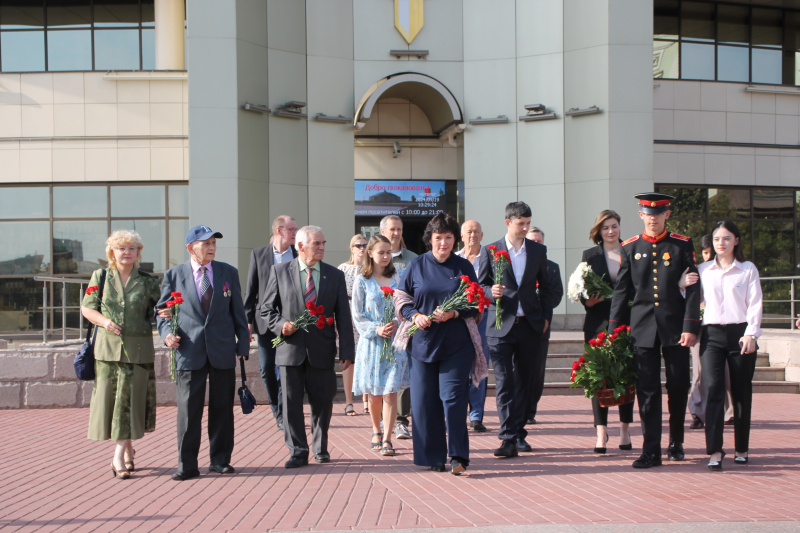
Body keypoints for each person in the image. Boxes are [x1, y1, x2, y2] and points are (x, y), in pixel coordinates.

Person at [609, 193, 700, 469]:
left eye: (658, 213)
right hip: (643, 328)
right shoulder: (630, 247)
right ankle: (651, 450)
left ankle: (676, 442)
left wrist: (690, 326)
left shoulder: (681, 244)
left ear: (667, 215)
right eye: (648, 213)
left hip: (675, 327)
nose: (653, 218)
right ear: (640, 215)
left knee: (678, 385)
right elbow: (622, 291)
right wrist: (613, 329)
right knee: (647, 390)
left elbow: (694, 287)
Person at [156, 225, 250, 481]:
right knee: (188, 411)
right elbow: (162, 313)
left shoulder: (228, 272)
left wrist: (243, 344)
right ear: (190, 247)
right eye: (205, 243)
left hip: (222, 350)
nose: (211, 247)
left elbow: (238, 313)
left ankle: (220, 461)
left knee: (222, 409)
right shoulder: (174, 275)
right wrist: (166, 335)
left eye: (213, 243)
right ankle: (187, 465)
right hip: (188, 351)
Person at [261, 225, 355, 468]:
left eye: (323, 243)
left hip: (322, 350)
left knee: (323, 401)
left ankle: (320, 447)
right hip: (290, 350)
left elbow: (344, 317)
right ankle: (298, 451)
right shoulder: (280, 271)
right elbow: (266, 310)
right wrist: (281, 325)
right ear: (300, 247)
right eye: (317, 244)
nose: (322, 247)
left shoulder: (335, 276)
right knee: (291, 404)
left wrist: (347, 352)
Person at [397, 213, 481, 475]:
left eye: (448, 238)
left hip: (456, 346)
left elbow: (476, 302)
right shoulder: (416, 265)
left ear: (455, 239)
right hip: (422, 346)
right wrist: (416, 315)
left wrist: (454, 313)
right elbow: (401, 298)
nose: (443, 243)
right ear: (429, 240)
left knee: (453, 399)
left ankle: (458, 456)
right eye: (438, 238)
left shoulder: (463, 267)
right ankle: (433, 455)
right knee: (423, 404)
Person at [81, 230, 161, 480]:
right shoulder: (100, 276)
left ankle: (117, 457)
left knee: (129, 403)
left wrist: (167, 314)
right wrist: (104, 322)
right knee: (112, 404)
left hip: (138, 351)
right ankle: (127, 448)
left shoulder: (148, 281)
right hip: (106, 351)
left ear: (138, 253)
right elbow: (86, 308)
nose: (127, 252)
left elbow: (158, 311)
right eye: (121, 248)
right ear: (112, 252)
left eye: (132, 248)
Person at [478, 202, 555, 458]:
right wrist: (491, 292)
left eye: (527, 223)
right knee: (504, 382)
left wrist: (544, 317)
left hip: (530, 325)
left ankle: (519, 432)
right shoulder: (490, 251)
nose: (525, 228)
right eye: (520, 223)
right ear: (508, 222)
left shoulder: (537, 250)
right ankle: (507, 438)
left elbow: (547, 287)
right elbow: (479, 287)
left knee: (525, 383)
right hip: (500, 325)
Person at [700, 221, 763, 470]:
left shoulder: (747, 269)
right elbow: (690, 299)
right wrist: (682, 286)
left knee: (740, 392)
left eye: (726, 238)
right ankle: (715, 450)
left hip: (741, 335)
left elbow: (755, 303)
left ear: (736, 240)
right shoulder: (703, 269)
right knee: (713, 390)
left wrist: (752, 334)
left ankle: (741, 448)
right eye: (716, 239)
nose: (721, 243)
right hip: (711, 335)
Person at [577, 211, 634, 453]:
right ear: (598, 231)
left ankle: (624, 430)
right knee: (598, 377)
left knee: (627, 377)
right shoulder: (590, 255)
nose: (611, 231)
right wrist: (587, 301)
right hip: (598, 322)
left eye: (614, 226)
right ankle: (601, 432)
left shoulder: (631, 250)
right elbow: (581, 289)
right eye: (605, 228)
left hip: (627, 322)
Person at [351, 235, 408, 456]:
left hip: (394, 343)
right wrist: (376, 329)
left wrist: (396, 322)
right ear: (370, 253)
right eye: (381, 252)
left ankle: (387, 438)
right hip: (372, 345)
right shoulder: (362, 280)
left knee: (391, 392)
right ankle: (376, 430)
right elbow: (357, 315)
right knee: (374, 394)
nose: (385, 256)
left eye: (388, 252)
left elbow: (406, 307)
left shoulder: (398, 277)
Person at [243, 215, 298, 432]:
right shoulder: (259, 254)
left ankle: (284, 413)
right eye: (291, 229)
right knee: (266, 369)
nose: (295, 232)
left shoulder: (297, 254)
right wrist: (247, 320)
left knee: (286, 369)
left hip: (290, 323)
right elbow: (251, 288)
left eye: (296, 228)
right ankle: (276, 408)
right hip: (265, 322)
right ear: (278, 230)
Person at [687, 234, 734, 430]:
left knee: (728, 373)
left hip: (726, 329)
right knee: (699, 374)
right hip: (701, 328)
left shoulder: (736, 269)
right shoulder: (700, 271)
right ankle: (698, 412)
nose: (708, 256)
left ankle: (731, 412)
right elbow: (688, 298)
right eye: (705, 252)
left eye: (711, 252)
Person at [381, 214, 418, 440]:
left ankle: (401, 421)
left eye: (399, 229)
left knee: (404, 373)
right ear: (383, 231)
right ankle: (382, 423)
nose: (396, 233)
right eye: (392, 229)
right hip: (380, 327)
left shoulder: (413, 259)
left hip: (404, 325)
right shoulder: (372, 256)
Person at [526, 227, 563, 425]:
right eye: (532, 241)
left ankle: (531, 410)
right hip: (521, 324)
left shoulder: (552, 267)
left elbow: (556, 294)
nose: (535, 244)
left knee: (538, 369)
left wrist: (539, 308)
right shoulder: (517, 264)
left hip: (541, 323)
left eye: (539, 241)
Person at [456, 220, 491, 432]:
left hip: (483, 318)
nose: (473, 235)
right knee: (459, 366)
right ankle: (458, 412)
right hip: (458, 318)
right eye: (469, 232)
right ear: (462, 236)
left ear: (482, 234)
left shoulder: (490, 258)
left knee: (480, 362)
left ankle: (476, 414)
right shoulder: (455, 259)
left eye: (476, 231)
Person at [338, 234, 369, 416]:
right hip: (347, 314)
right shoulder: (343, 269)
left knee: (365, 357)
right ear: (352, 248)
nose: (362, 248)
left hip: (365, 314)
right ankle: (349, 402)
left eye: (365, 245)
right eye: (358, 245)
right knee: (348, 359)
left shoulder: (371, 268)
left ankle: (366, 399)